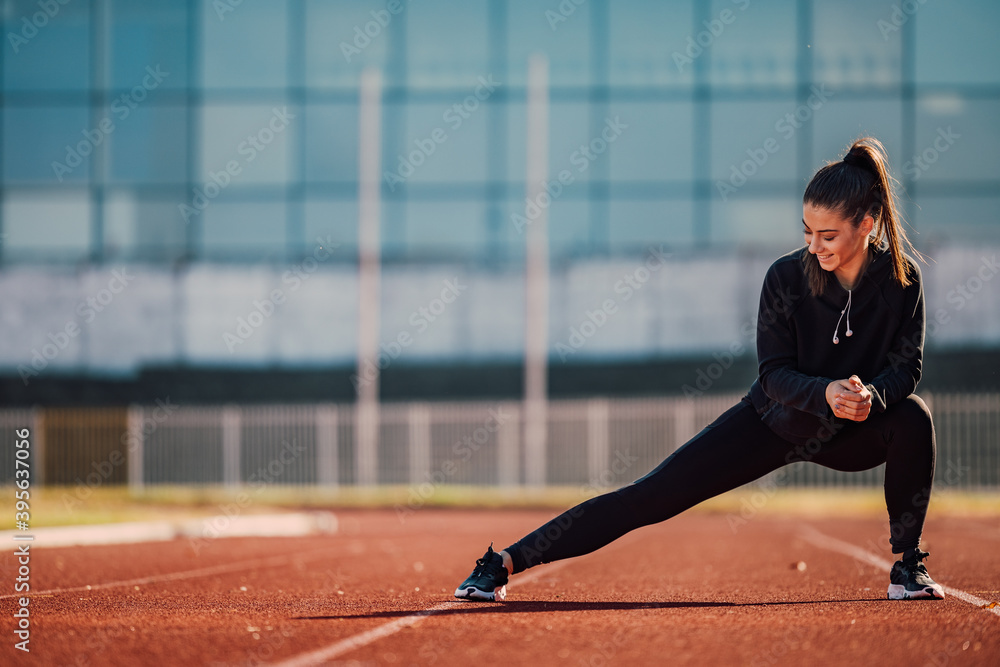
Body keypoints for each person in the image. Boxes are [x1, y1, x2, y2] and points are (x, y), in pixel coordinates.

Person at [454, 137, 945, 603]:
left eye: (829, 235)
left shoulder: (903, 280)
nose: (815, 246)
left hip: (852, 432)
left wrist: (871, 399)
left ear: (869, 223)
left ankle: (907, 565)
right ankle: (503, 563)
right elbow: (774, 374)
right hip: (774, 422)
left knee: (913, 417)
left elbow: (907, 369)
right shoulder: (786, 277)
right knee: (649, 496)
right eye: (807, 232)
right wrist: (825, 394)